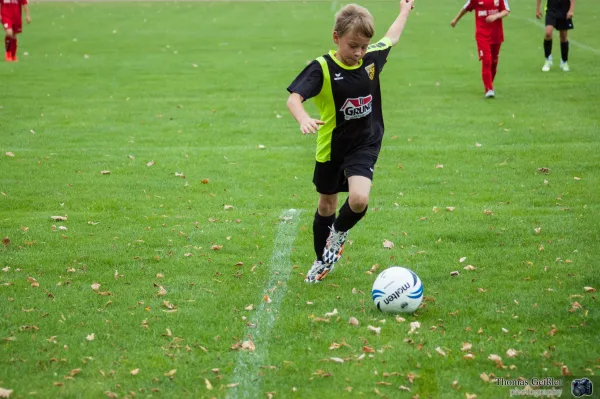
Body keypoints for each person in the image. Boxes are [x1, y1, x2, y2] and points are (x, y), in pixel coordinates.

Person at [286, 1, 414, 283]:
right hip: (331, 146)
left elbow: (391, 37)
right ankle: (321, 261)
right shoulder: (321, 67)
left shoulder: (371, 59)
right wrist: (303, 118)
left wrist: (404, 11)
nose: (358, 53)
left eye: (363, 47)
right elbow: (294, 98)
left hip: (364, 143)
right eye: (352, 45)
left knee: (358, 199)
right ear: (336, 37)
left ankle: (339, 233)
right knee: (326, 206)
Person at [450, 0, 510, 98]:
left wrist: (495, 16)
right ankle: (489, 89)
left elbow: (506, 10)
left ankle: (489, 84)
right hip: (482, 35)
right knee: (487, 61)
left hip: (496, 35)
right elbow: (466, 8)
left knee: (494, 62)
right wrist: (455, 20)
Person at [536, 0, 575, 72]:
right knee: (548, 33)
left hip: (564, 9)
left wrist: (571, 10)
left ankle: (564, 62)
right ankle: (548, 60)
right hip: (551, 9)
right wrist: (538, 9)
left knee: (563, 37)